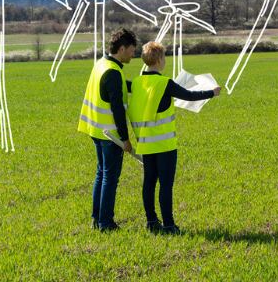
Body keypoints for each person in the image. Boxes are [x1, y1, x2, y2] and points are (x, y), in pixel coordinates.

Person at [128, 41, 220, 234]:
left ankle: (151, 222)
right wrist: (212, 92)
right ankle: (169, 225)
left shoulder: (137, 83)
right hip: (164, 143)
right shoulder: (164, 83)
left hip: (145, 142)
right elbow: (189, 95)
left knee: (149, 183)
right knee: (166, 185)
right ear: (160, 60)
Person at [77, 28, 137, 232]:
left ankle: (97, 219)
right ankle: (106, 223)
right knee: (110, 178)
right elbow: (117, 108)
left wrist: (142, 85)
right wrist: (125, 139)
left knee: (102, 175)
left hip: (96, 130)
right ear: (121, 48)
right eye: (131, 50)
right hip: (110, 134)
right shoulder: (112, 71)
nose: (133, 54)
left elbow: (118, 86)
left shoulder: (102, 64)